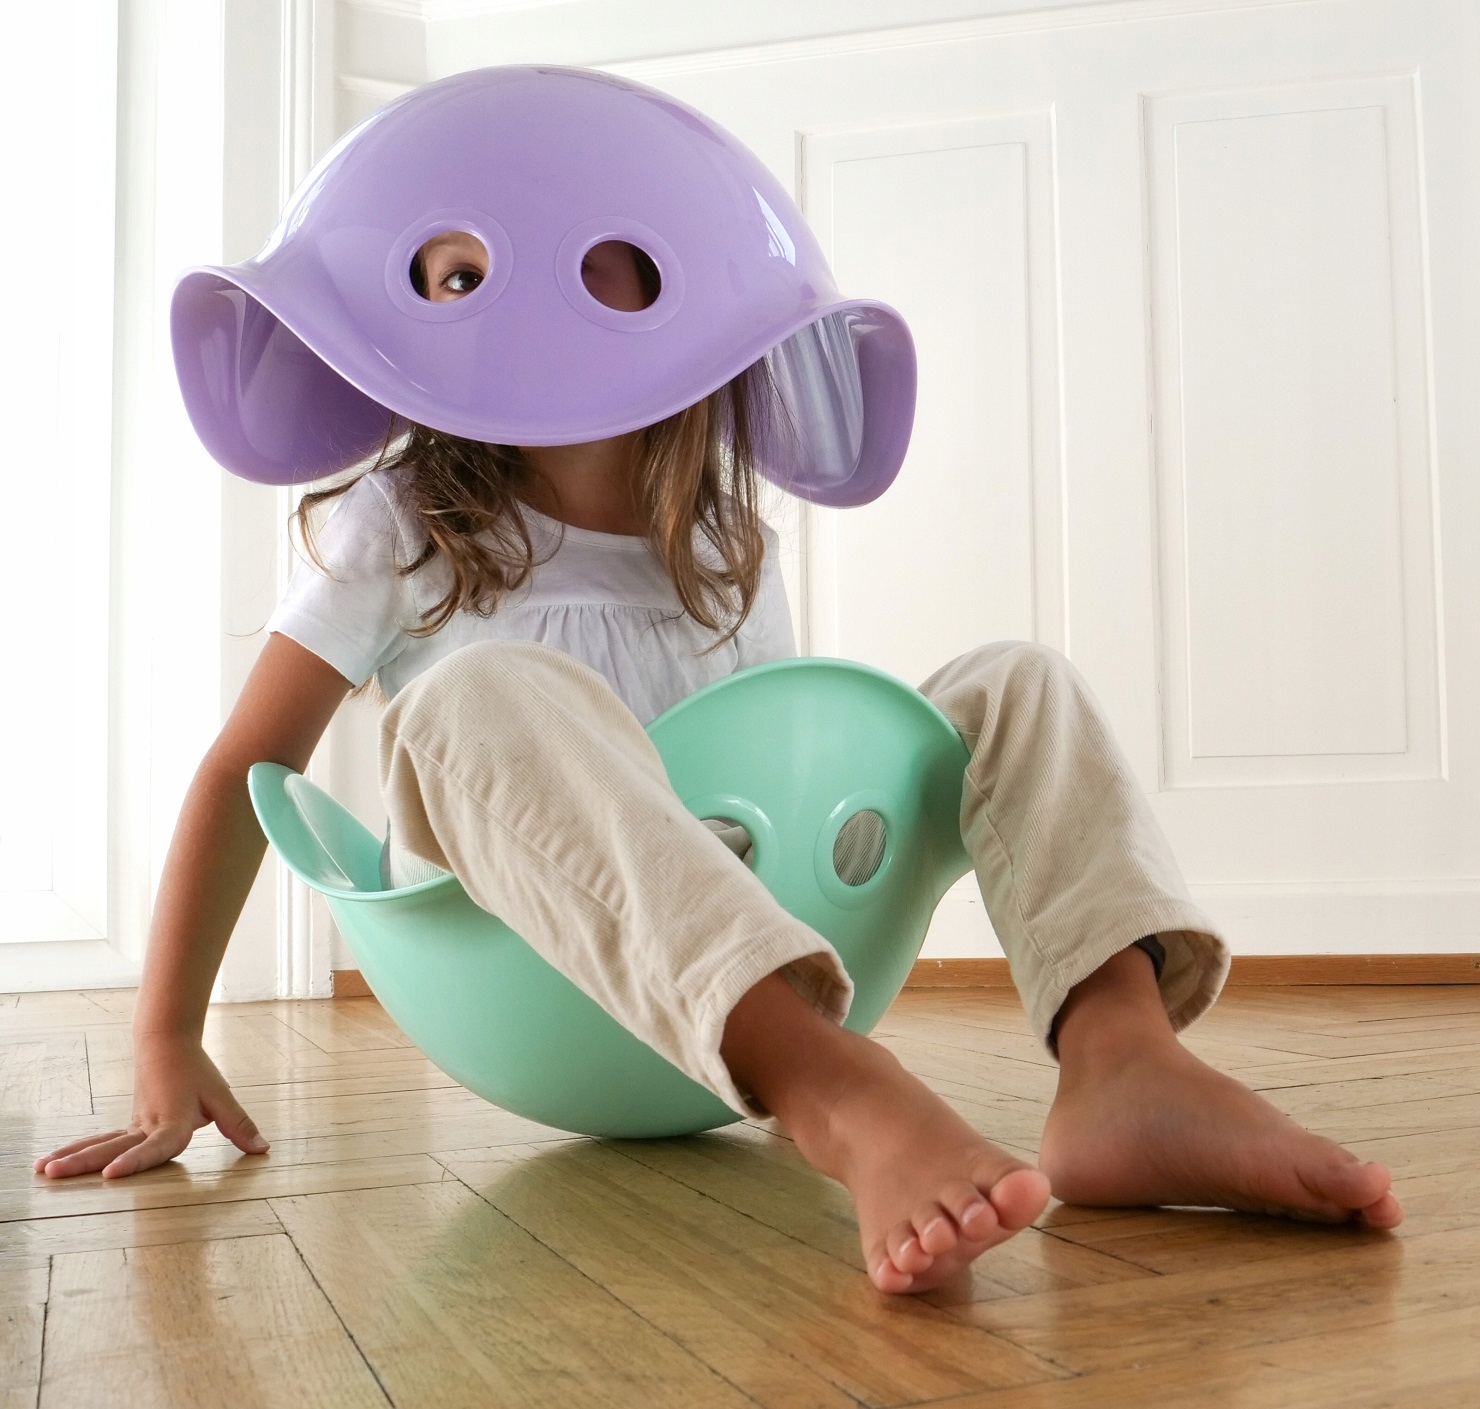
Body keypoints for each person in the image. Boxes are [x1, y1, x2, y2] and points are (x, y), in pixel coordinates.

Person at [36, 72, 1402, 1297]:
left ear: (681, 293)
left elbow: (773, 773)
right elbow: (248, 766)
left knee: (1015, 682)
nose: (519, 306)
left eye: (602, 268)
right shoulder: (401, 522)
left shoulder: (720, 534)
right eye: (455, 276)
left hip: (754, 946)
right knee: (470, 695)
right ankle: (835, 1094)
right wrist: (166, 1035)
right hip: (532, 969)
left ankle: (1122, 1060)